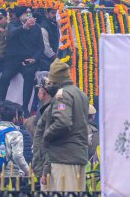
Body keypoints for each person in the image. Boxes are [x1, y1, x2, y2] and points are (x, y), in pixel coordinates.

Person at [43, 59, 89, 191]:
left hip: (63, 157)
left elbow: (63, 122)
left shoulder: (62, 95)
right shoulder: (80, 94)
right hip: (78, 155)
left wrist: (47, 135)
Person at [0, 6, 44, 117]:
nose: (28, 14)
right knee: (4, 78)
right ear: (19, 15)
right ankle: (0, 105)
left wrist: (34, 59)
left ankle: (25, 107)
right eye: (26, 12)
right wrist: (24, 27)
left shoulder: (37, 27)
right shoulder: (13, 24)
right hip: (13, 60)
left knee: (29, 75)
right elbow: (11, 34)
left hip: (29, 60)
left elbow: (40, 47)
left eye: (30, 12)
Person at [32, 76, 58, 190]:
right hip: (44, 165)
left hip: (48, 167)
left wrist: (45, 171)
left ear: (43, 91)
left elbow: (50, 143)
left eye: (39, 89)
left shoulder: (50, 111)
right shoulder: (45, 109)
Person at [0, 100, 29, 176]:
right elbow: (17, 156)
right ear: (15, 118)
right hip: (10, 174)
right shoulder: (16, 134)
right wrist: (28, 171)